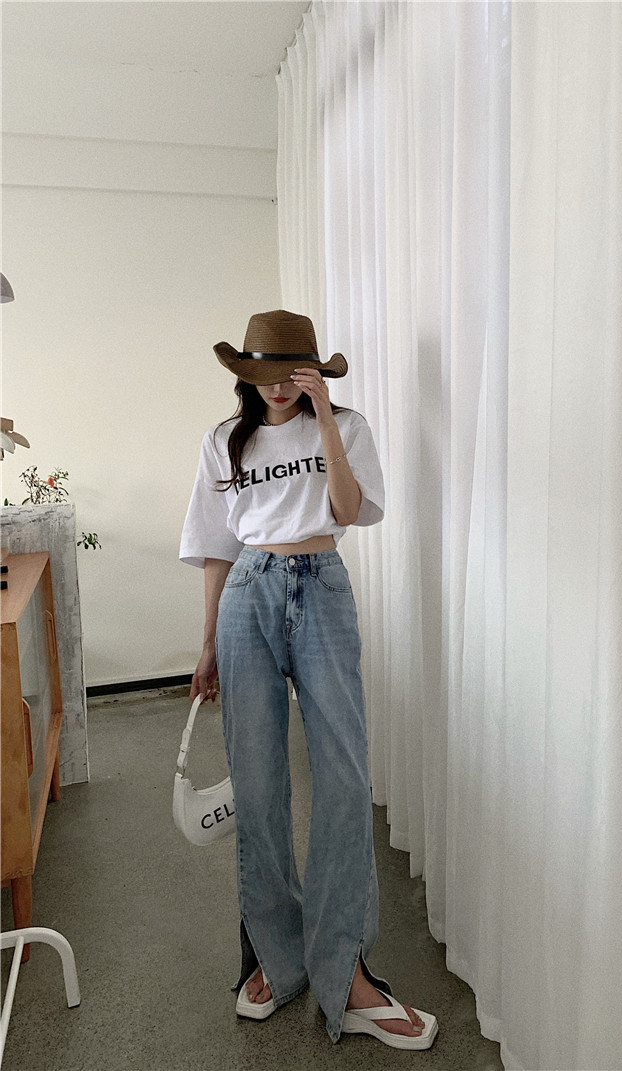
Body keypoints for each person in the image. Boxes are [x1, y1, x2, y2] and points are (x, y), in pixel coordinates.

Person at [179, 310, 438, 1051]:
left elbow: (350, 511)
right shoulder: (223, 441)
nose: (278, 388)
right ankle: (276, 954)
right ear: (246, 374)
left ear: (314, 373)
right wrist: (208, 644)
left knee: (345, 778)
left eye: (293, 374)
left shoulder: (345, 426)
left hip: (321, 585)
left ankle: (346, 971)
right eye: (265, 374)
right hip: (247, 595)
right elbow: (216, 548)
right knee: (258, 784)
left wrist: (324, 415)